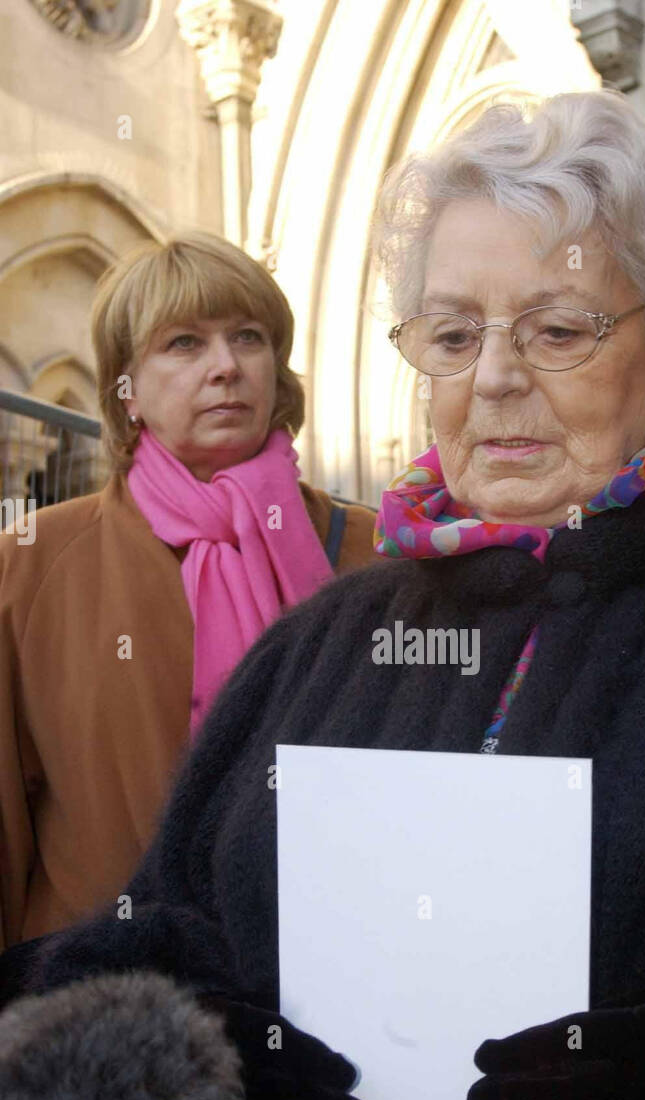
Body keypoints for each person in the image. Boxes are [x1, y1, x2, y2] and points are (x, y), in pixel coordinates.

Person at [3, 90, 645, 1100]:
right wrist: (207, 1042)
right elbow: (147, 935)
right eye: (452, 337)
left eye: (556, 329)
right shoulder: (320, 643)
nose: (495, 380)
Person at [0, 232, 378, 947]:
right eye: (183, 343)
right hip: (99, 1004)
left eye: (249, 337)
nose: (227, 366)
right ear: (126, 387)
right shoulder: (30, 561)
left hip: (330, 980)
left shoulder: (372, 551)